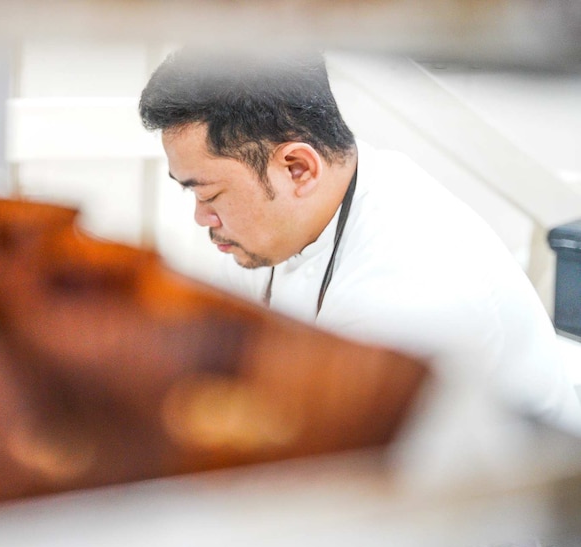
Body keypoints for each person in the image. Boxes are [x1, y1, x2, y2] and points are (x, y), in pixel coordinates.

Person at [138, 46, 581, 436]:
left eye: (209, 194)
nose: (201, 217)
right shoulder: (290, 213)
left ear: (297, 169)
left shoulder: (410, 290)